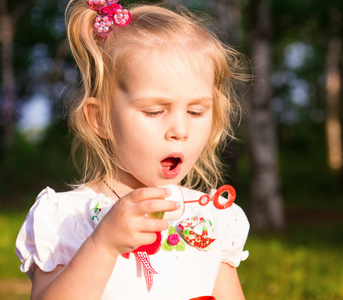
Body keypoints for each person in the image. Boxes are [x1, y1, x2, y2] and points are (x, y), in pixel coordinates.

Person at [15, 0, 250, 299]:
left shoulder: (209, 220)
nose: (180, 130)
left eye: (196, 111)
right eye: (154, 111)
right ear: (100, 119)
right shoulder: (66, 219)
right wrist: (102, 246)